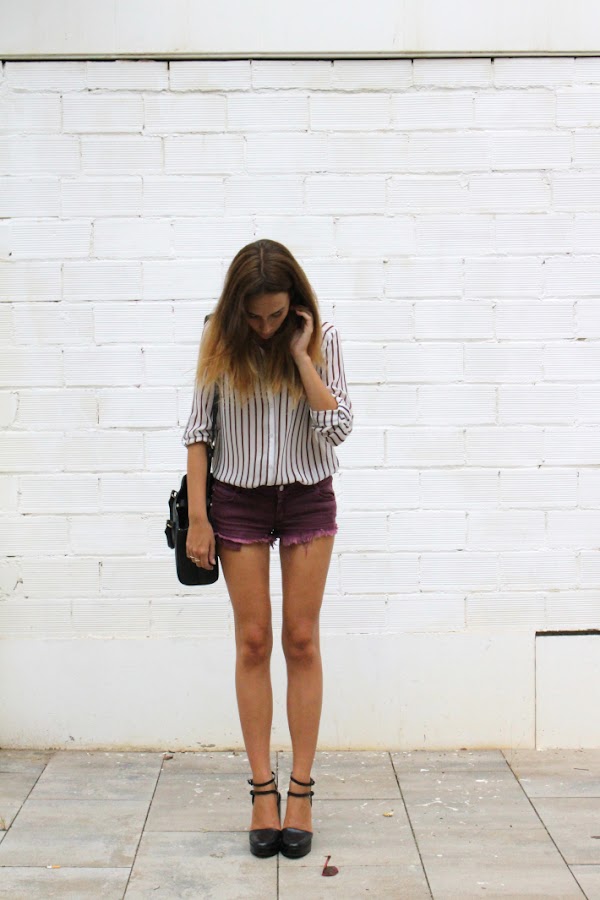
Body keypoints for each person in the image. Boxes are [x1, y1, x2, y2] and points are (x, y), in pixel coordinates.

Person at [181, 238, 353, 860]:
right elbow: (199, 431)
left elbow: (338, 427)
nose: (264, 327)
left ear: (295, 303)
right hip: (238, 500)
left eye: (276, 315)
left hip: (307, 496)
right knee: (253, 641)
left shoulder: (321, 337)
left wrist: (301, 357)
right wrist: (198, 517)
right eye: (253, 316)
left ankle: (301, 790)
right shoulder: (218, 336)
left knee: (301, 640)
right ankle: (262, 790)